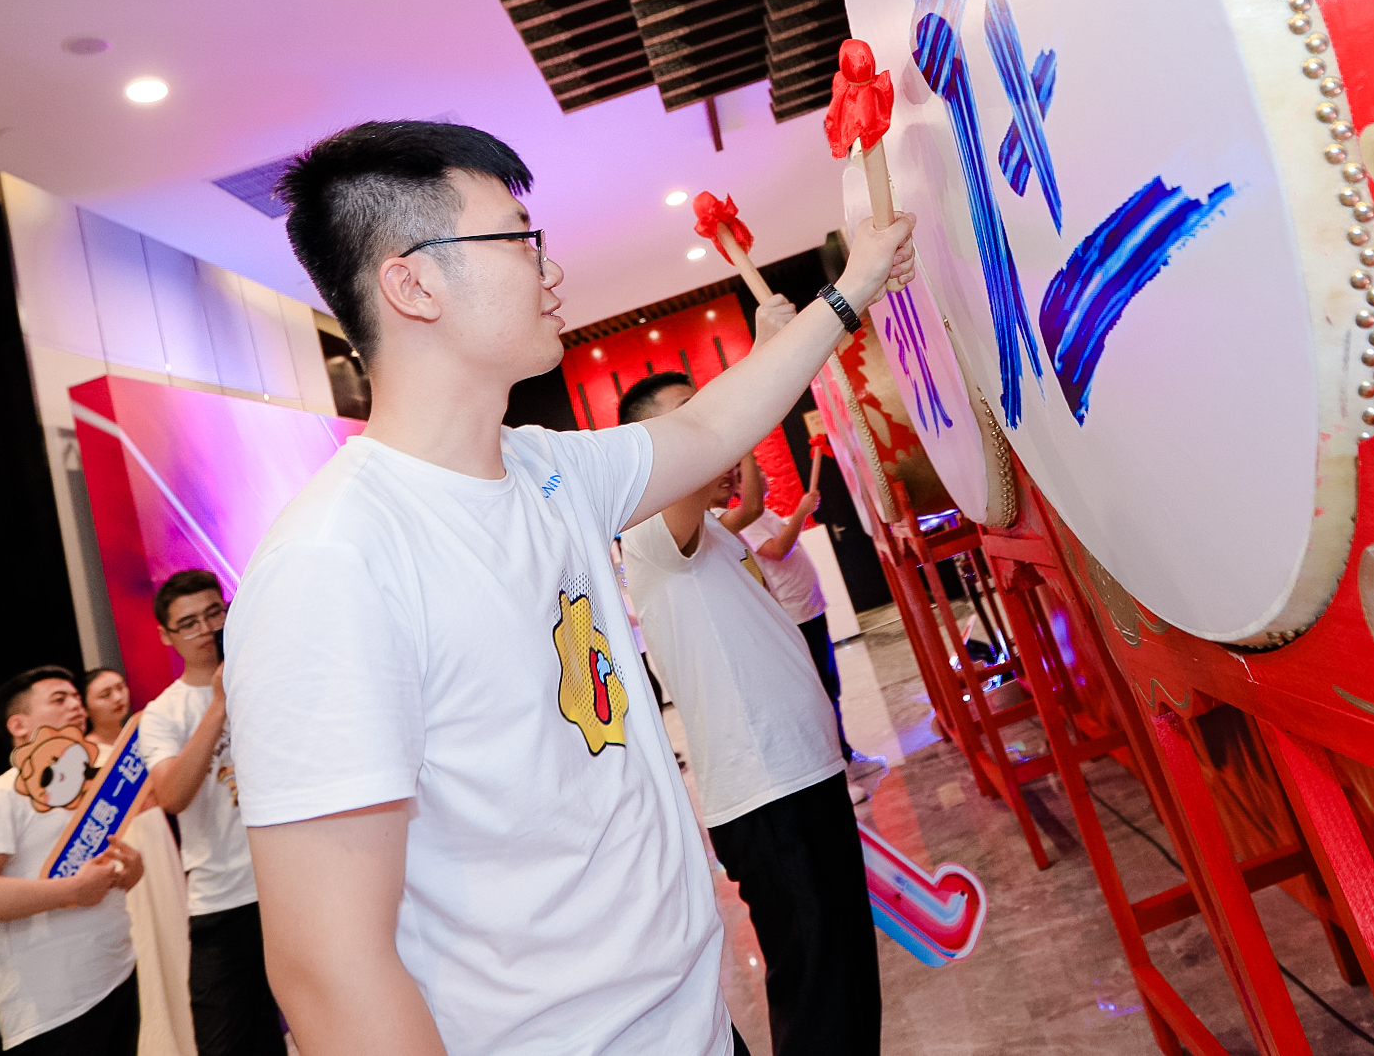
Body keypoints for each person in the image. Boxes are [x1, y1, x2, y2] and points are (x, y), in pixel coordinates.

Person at [222, 120, 914, 1056]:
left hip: (697, 1025)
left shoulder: (545, 468)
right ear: (413, 283)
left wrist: (850, 288)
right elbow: (328, 968)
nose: (550, 268)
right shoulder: (333, 562)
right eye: (519, 239)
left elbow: (710, 430)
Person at [619, 369, 882, 1056]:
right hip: (767, 793)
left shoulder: (710, 531)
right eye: (691, 414)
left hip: (800, 776)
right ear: (651, 441)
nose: (714, 426)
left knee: (847, 978)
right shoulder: (648, 531)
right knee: (821, 993)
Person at [0, 666, 146, 1054]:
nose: (76, 706)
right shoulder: (0, 797)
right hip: (52, 1009)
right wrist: (72, 890)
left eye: (76, 697)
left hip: (117, 975)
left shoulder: (90, 790)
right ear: (19, 725)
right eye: (59, 699)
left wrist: (131, 871)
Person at [136, 571, 279, 1056]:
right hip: (222, 900)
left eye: (214, 613)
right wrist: (219, 703)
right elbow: (172, 796)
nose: (205, 630)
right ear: (166, 636)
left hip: (290, 885)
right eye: (189, 623)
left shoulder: (268, 682)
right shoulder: (163, 713)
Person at [732, 454, 884, 784]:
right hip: (796, 616)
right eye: (755, 472)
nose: (764, 475)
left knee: (829, 687)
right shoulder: (746, 521)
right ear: (739, 486)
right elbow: (777, 551)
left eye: (762, 469)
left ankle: (844, 756)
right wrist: (801, 512)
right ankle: (840, 763)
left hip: (809, 609)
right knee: (822, 691)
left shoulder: (764, 514)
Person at [85, 666, 200, 1056]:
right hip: (125, 847)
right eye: (104, 694)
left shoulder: (144, 737)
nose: (118, 697)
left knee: (175, 929)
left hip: (159, 840)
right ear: (87, 706)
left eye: (119, 688)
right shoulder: (85, 755)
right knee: (145, 937)